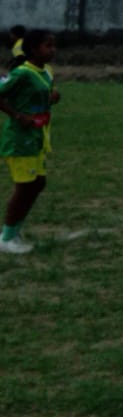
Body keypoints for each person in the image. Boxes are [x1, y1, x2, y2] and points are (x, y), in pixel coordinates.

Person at [0, 28, 59, 256]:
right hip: (19, 139)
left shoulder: (46, 72)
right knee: (25, 187)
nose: (53, 50)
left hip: (37, 137)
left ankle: (14, 231)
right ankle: (6, 238)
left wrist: (52, 98)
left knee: (38, 183)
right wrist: (17, 116)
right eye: (48, 46)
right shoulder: (22, 73)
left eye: (53, 45)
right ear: (34, 49)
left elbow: (39, 97)